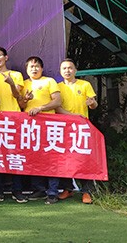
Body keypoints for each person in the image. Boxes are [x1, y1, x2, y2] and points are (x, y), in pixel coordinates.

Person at [0, 46, 28, 203]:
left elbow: (17, 96)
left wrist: (11, 83)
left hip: (15, 119)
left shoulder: (16, 75)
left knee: (15, 155)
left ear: (6, 57)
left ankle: (17, 190)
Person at [56, 58, 98, 204]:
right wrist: (73, 116)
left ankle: (87, 191)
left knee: (83, 159)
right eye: (64, 68)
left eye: (70, 68)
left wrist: (92, 103)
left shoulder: (85, 84)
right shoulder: (57, 87)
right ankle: (68, 188)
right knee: (65, 158)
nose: (67, 71)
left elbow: (93, 105)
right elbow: (57, 108)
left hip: (82, 128)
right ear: (60, 71)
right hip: (64, 128)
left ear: (75, 70)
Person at [22, 56, 62, 204]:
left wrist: (40, 108)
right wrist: (25, 100)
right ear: (26, 69)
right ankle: (39, 189)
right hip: (29, 127)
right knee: (34, 158)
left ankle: (52, 192)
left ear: (42, 68)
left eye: (37, 66)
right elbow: (20, 105)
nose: (34, 69)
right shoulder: (23, 84)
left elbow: (57, 101)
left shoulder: (49, 81)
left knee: (51, 158)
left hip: (49, 125)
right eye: (31, 66)